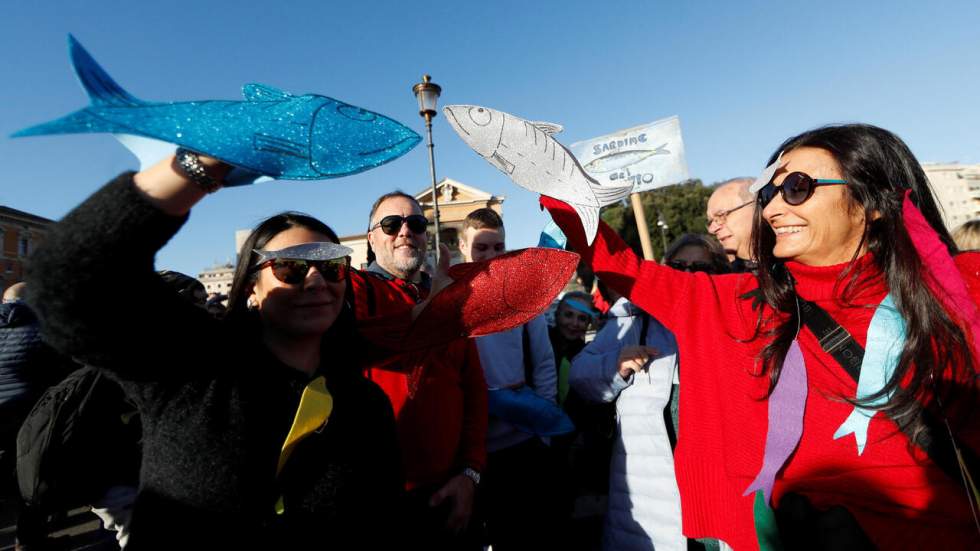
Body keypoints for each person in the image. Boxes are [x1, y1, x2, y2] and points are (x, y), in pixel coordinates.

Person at [542, 124, 980, 550]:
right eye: (769, 193)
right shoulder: (738, 302)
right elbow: (625, 268)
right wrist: (558, 187)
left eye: (796, 188)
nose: (770, 210)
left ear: (872, 200)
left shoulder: (960, 289)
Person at [26, 153, 411, 549]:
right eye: (291, 268)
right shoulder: (191, 365)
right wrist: (199, 165)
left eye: (331, 267)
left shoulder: (364, 403)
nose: (316, 280)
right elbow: (65, 279)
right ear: (250, 289)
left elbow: (382, 522)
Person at [359, 191, 487, 550]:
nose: (404, 232)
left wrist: (470, 473)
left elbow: (474, 391)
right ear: (372, 238)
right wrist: (434, 307)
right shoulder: (352, 289)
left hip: (452, 493)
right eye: (390, 224)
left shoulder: (449, 299)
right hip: (378, 502)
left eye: (415, 223)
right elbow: (371, 341)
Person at [458, 207, 562, 550]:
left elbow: (544, 361)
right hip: (468, 450)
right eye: (481, 247)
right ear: (462, 246)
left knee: (523, 532)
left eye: (498, 247)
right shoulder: (448, 297)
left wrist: (543, 425)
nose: (490, 256)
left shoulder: (522, 294)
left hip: (521, 443)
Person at [706, 177, 756, 271]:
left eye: (721, 215)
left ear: (755, 206)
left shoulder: (790, 265)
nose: (712, 230)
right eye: (710, 221)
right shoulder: (720, 278)